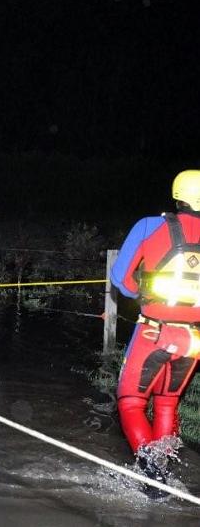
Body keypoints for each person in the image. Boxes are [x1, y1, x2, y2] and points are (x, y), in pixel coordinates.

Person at [111, 170, 200, 496]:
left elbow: (122, 278)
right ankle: (161, 472)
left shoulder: (150, 225)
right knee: (167, 404)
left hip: (154, 333)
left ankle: (151, 477)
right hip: (193, 342)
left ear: (177, 193)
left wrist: (142, 295)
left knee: (131, 402)